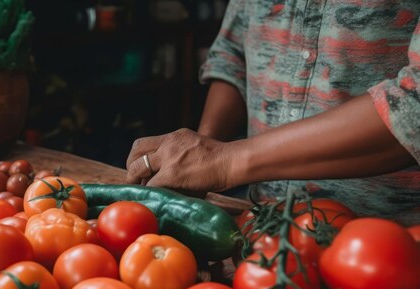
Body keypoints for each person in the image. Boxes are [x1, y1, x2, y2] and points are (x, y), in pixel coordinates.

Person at [126, 0, 420, 225]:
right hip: (260, 223)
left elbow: (414, 104)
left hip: (386, 240)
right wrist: (198, 156)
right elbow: (233, 54)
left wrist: (224, 162)